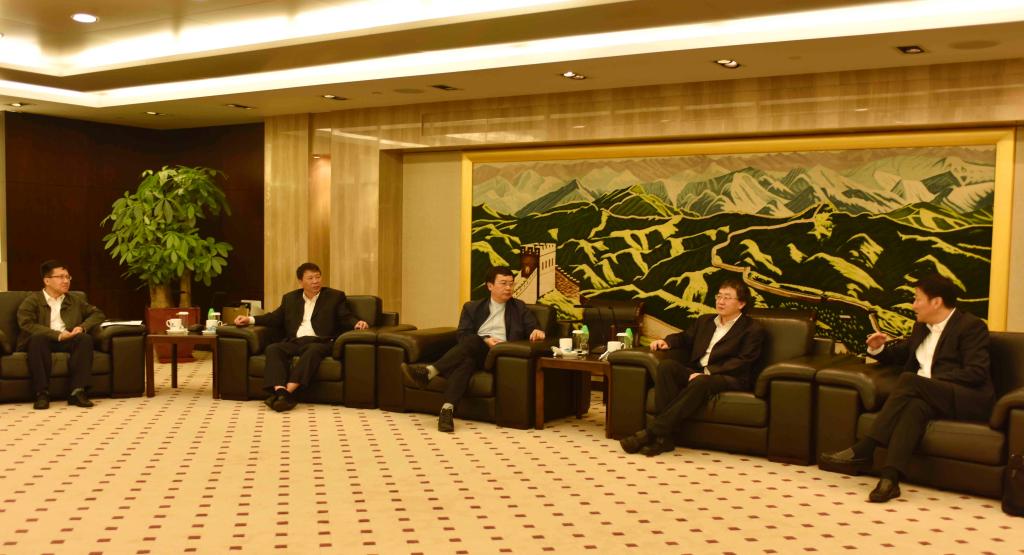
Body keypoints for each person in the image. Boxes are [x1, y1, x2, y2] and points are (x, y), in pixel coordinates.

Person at [819, 274, 992, 502]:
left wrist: (930, 381)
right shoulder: (920, 327)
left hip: (966, 398)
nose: (913, 305)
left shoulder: (971, 326)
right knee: (915, 407)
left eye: (917, 299)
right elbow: (903, 354)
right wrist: (878, 349)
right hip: (928, 396)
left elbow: (976, 372)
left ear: (936, 302)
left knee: (911, 380)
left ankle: (866, 447)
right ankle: (889, 479)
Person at [619, 279, 765, 456]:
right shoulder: (705, 321)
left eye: (727, 298)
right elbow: (685, 337)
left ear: (741, 304)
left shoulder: (752, 328)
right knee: (667, 367)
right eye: (719, 296)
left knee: (701, 381)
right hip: (698, 371)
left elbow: (744, 361)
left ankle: (652, 433)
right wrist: (667, 342)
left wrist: (708, 372)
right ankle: (665, 439)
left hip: (730, 377)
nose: (720, 301)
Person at [401, 266, 546, 433]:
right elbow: (462, 335)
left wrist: (537, 331)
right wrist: (485, 340)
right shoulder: (472, 307)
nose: (508, 288)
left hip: (500, 355)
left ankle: (430, 372)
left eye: (511, 283)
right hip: (475, 351)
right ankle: (447, 411)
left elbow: (532, 327)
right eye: (503, 283)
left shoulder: (519, 307)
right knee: (467, 361)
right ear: (490, 286)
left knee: (473, 342)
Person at [233, 262, 368, 411]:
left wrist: (357, 323)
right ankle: (280, 390)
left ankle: (286, 393)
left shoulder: (335, 296)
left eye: (318, 277)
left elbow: (345, 316)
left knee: (312, 351)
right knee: (273, 349)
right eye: (310, 278)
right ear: (300, 281)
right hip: (295, 341)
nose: (315, 281)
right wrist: (249, 319)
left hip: (321, 341)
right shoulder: (290, 298)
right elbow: (274, 317)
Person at [17, 260, 106, 410]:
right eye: (60, 277)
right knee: (38, 339)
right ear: (47, 281)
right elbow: (26, 324)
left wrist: (82, 327)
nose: (66, 281)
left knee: (84, 339)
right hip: (43, 340)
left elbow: (98, 314)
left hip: (68, 338)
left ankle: (77, 392)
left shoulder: (75, 299)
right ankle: (42, 393)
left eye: (68, 277)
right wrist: (57, 335)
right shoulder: (32, 300)